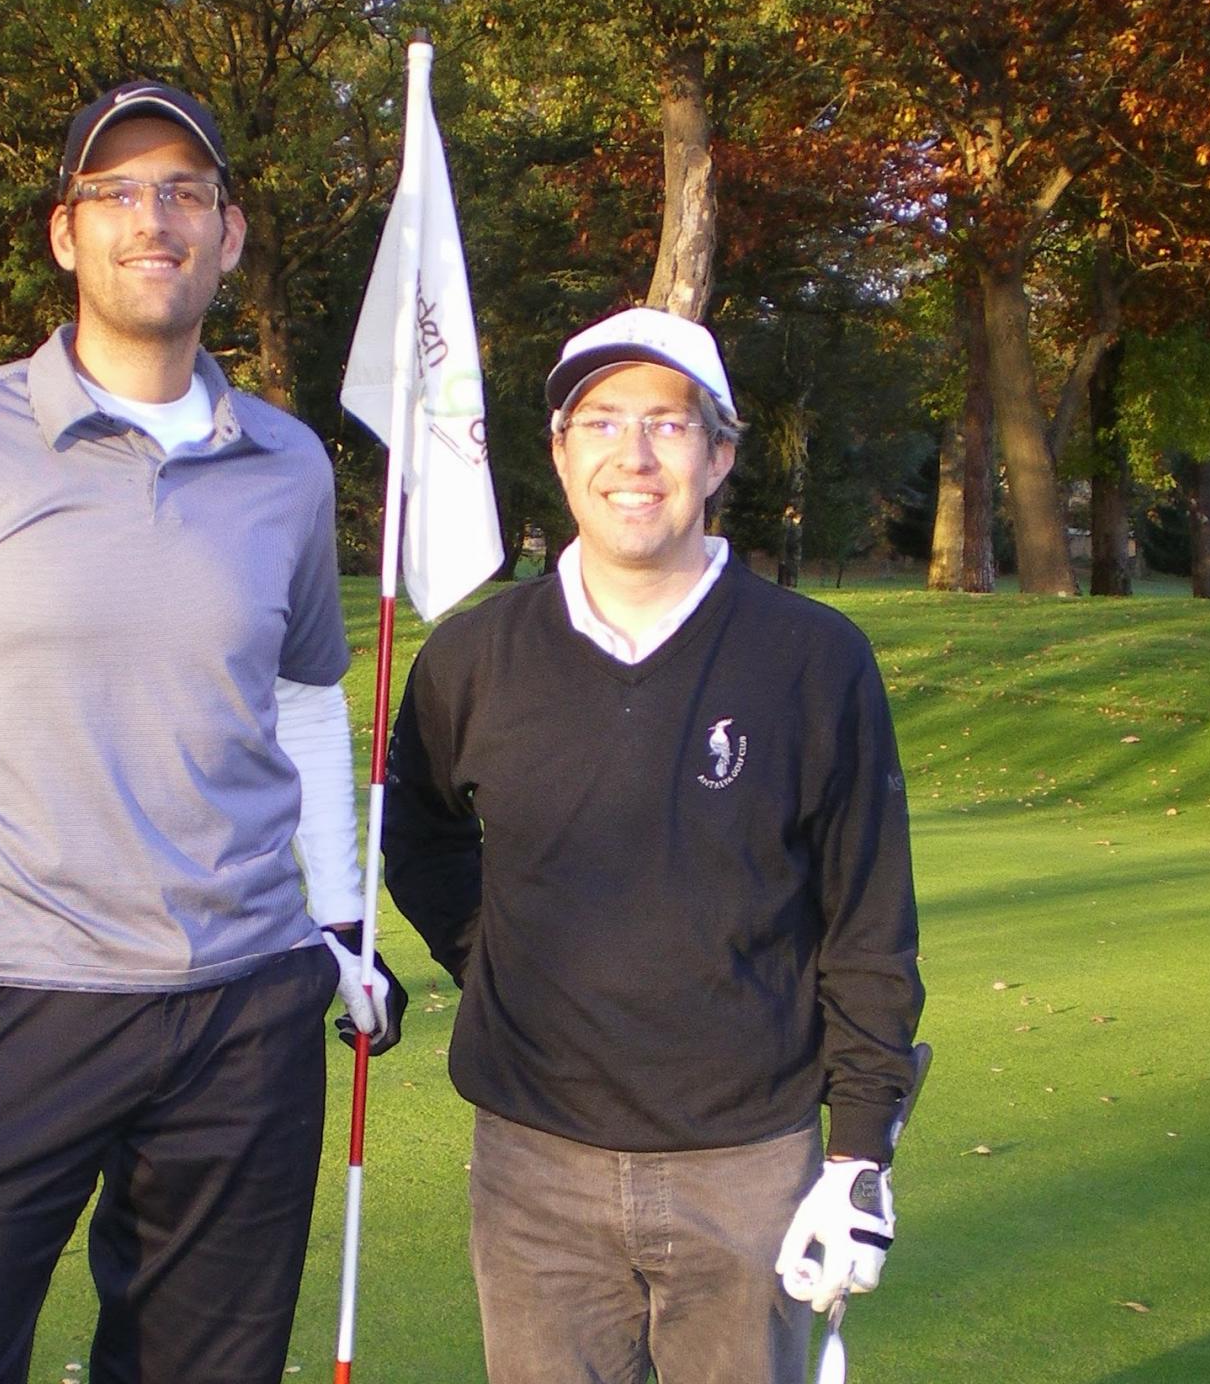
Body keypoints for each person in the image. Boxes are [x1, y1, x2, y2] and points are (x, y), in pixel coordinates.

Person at [0, 80, 405, 1384]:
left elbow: (300, 700)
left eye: (184, 190)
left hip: (242, 1014)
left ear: (228, 233)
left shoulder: (286, 465)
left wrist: (338, 919)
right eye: (117, 192)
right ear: (68, 235)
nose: (152, 218)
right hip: (6, 1011)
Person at [381, 307, 924, 1383]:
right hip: (533, 1165)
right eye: (600, 422)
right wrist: (498, 963)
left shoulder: (814, 660)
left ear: (719, 454)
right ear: (558, 450)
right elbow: (423, 834)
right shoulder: (475, 655)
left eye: (668, 426)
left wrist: (860, 1151)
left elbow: (867, 917)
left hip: (747, 1162)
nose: (633, 456)